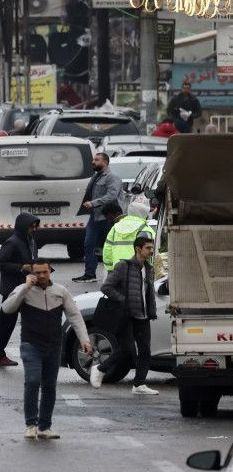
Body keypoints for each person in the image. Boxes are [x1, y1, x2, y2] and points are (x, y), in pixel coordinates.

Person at [2, 260, 92, 440]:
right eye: (37, 273)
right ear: (32, 273)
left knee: (49, 386)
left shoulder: (60, 291)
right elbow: (7, 308)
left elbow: (74, 315)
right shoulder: (23, 290)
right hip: (31, 344)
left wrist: (84, 339)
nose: (41, 276)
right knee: (33, 380)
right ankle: (30, 424)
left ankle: (44, 426)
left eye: (45, 272)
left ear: (50, 271)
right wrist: (25, 288)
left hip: (53, 345)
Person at [90, 237, 159, 395]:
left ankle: (139, 384)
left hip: (143, 315)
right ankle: (100, 368)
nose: (151, 251)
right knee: (126, 349)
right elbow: (106, 287)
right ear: (138, 249)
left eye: (151, 248)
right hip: (126, 315)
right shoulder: (124, 266)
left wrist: (151, 311)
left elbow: (148, 293)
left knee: (145, 351)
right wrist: (124, 300)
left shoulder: (148, 268)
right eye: (148, 248)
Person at [0, 212, 40, 367]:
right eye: (31, 227)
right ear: (22, 227)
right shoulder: (12, 242)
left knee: (33, 322)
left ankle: (34, 353)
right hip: (12, 290)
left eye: (35, 226)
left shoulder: (30, 240)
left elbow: (31, 258)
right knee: (6, 324)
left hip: (27, 288)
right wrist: (21, 268)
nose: (34, 229)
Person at [72, 152, 122, 283]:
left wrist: (93, 203)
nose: (93, 162)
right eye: (93, 159)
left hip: (109, 217)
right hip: (95, 216)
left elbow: (112, 195)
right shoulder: (96, 177)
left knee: (112, 245)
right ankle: (90, 274)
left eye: (97, 160)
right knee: (89, 244)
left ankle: (117, 273)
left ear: (105, 162)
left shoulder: (112, 177)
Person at [101, 201, 154, 273]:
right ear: (142, 214)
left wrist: (110, 269)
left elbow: (107, 250)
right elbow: (151, 251)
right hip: (138, 270)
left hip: (117, 269)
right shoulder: (145, 228)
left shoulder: (115, 227)